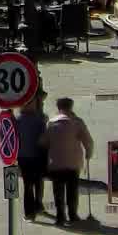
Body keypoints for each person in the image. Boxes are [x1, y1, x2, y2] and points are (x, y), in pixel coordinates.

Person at [41, 96, 94, 226]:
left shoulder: (51, 123)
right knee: (72, 190)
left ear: (58, 108)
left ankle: (60, 217)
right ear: (71, 107)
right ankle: (73, 215)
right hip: (73, 163)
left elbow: (43, 142)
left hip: (56, 163)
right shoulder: (77, 122)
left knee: (58, 191)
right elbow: (88, 141)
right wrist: (88, 153)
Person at [16, 94, 49, 220]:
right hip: (37, 156)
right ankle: (38, 205)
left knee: (28, 185)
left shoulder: (18, 120)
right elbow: (44, 138)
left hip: (24, 157)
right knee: (38, 182)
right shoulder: (39, 120)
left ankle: (29, 213)